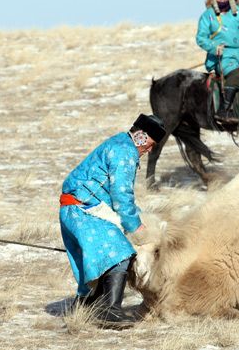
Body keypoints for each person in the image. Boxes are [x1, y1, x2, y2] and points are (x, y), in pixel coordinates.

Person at [59, 114, 166, 327]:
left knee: (101, 260)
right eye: (151, 144)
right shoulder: (124, 152)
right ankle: (109, 311)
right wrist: (137, 228)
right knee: (119, 252)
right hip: (83, 210)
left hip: (79, 208)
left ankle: (87, 307)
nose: (150, 150)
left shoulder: (120, 144)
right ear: (142, 138)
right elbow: (121, 195)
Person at [196, 0, 239, 123]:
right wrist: (214, 48)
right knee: (235, 74)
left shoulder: (237, 13)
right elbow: (201, 38)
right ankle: (223, 110)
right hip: (221, 57)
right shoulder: (207, 16)